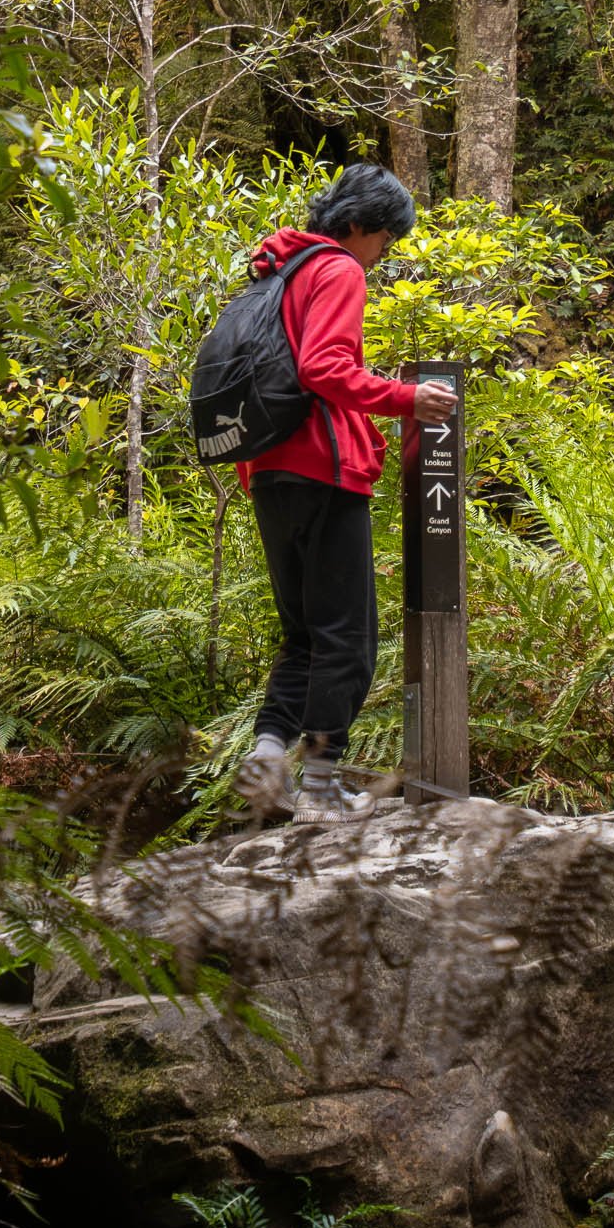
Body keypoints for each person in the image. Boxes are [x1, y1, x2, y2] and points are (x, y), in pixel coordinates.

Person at [235, 163, 457, 821]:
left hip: (267, 469)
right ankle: (321, 788)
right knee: (347, 638)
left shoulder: (273, 276)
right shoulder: (335, 268)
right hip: (322, 469)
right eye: (383, 239)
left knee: (303, 633)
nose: (382, 253)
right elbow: (324, 369)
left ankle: (269, 756)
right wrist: (406, 399)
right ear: (357, 224)